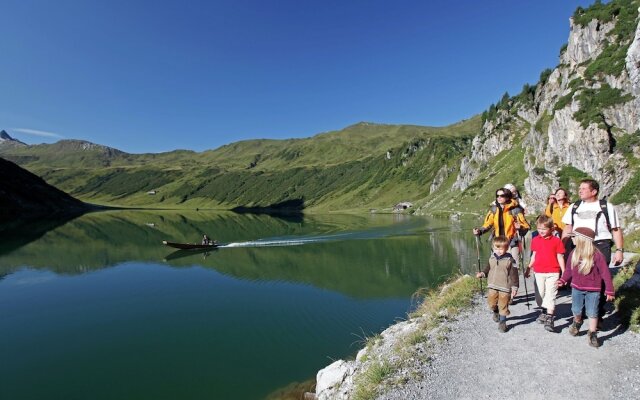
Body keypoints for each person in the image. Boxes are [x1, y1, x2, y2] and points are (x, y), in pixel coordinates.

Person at [561, 179, 623, 326]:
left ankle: (597, 313)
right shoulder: (574, 206)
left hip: (600, 245)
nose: (580, 190)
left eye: (583, 188)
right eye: (579, 188)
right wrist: (563, 247)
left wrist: (619, 250)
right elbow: (568, 227)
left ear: (594, 191)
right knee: (578, 278)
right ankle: (579, 314)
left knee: (599, 279)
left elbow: (615, 229)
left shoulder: (606, 206)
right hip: (579, 245)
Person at [556, 227, 615, 347]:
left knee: (592, 312)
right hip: (577, 288)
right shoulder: (574, 253)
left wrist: (609, 290)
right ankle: (577, 322)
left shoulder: (597, 255)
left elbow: (605, 274)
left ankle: (592, 333)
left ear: (582, 239)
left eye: (574, 237)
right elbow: (569, 270)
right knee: (576, 310)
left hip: (593, 290)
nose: (572, 239)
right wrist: (562, 280)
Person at [525, 215, 565, 332]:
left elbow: (560, 256)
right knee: (540, 295)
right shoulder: (536, 240)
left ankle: (549, 317)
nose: (541, 231)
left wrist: (564, 271)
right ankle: (543, 311)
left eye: (544, 229)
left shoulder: (557, 241)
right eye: (539, 229)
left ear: (551, 229)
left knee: (551, 294)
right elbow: (534, 255)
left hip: (553, 272)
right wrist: (529, 267)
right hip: (538, 272)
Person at [473, 188, 530, 267]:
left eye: (502, 196)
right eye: (497, 195)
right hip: (498, 242)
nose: (499, 197)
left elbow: (526, 226)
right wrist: (479, 231)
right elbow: (488, 224)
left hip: (512, 242)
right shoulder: (494, 209)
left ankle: (513, 279)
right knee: (496, 266)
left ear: (507, 197)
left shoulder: (515, 210)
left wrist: (520, 227)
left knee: (513, 267)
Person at [476, 235, 519, 333]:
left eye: (501, 248)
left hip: (505, 287)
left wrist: (514, 287)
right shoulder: (491, 258)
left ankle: (503, 322)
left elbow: (514, 275)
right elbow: (487, 268)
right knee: (491, 304)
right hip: (492, 285)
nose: (498, 251)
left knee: (503, 305)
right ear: (493, 248)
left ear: (507, 248)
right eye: (496, 248)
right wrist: (482, 273)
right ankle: (496, 312)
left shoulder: (510, 260)